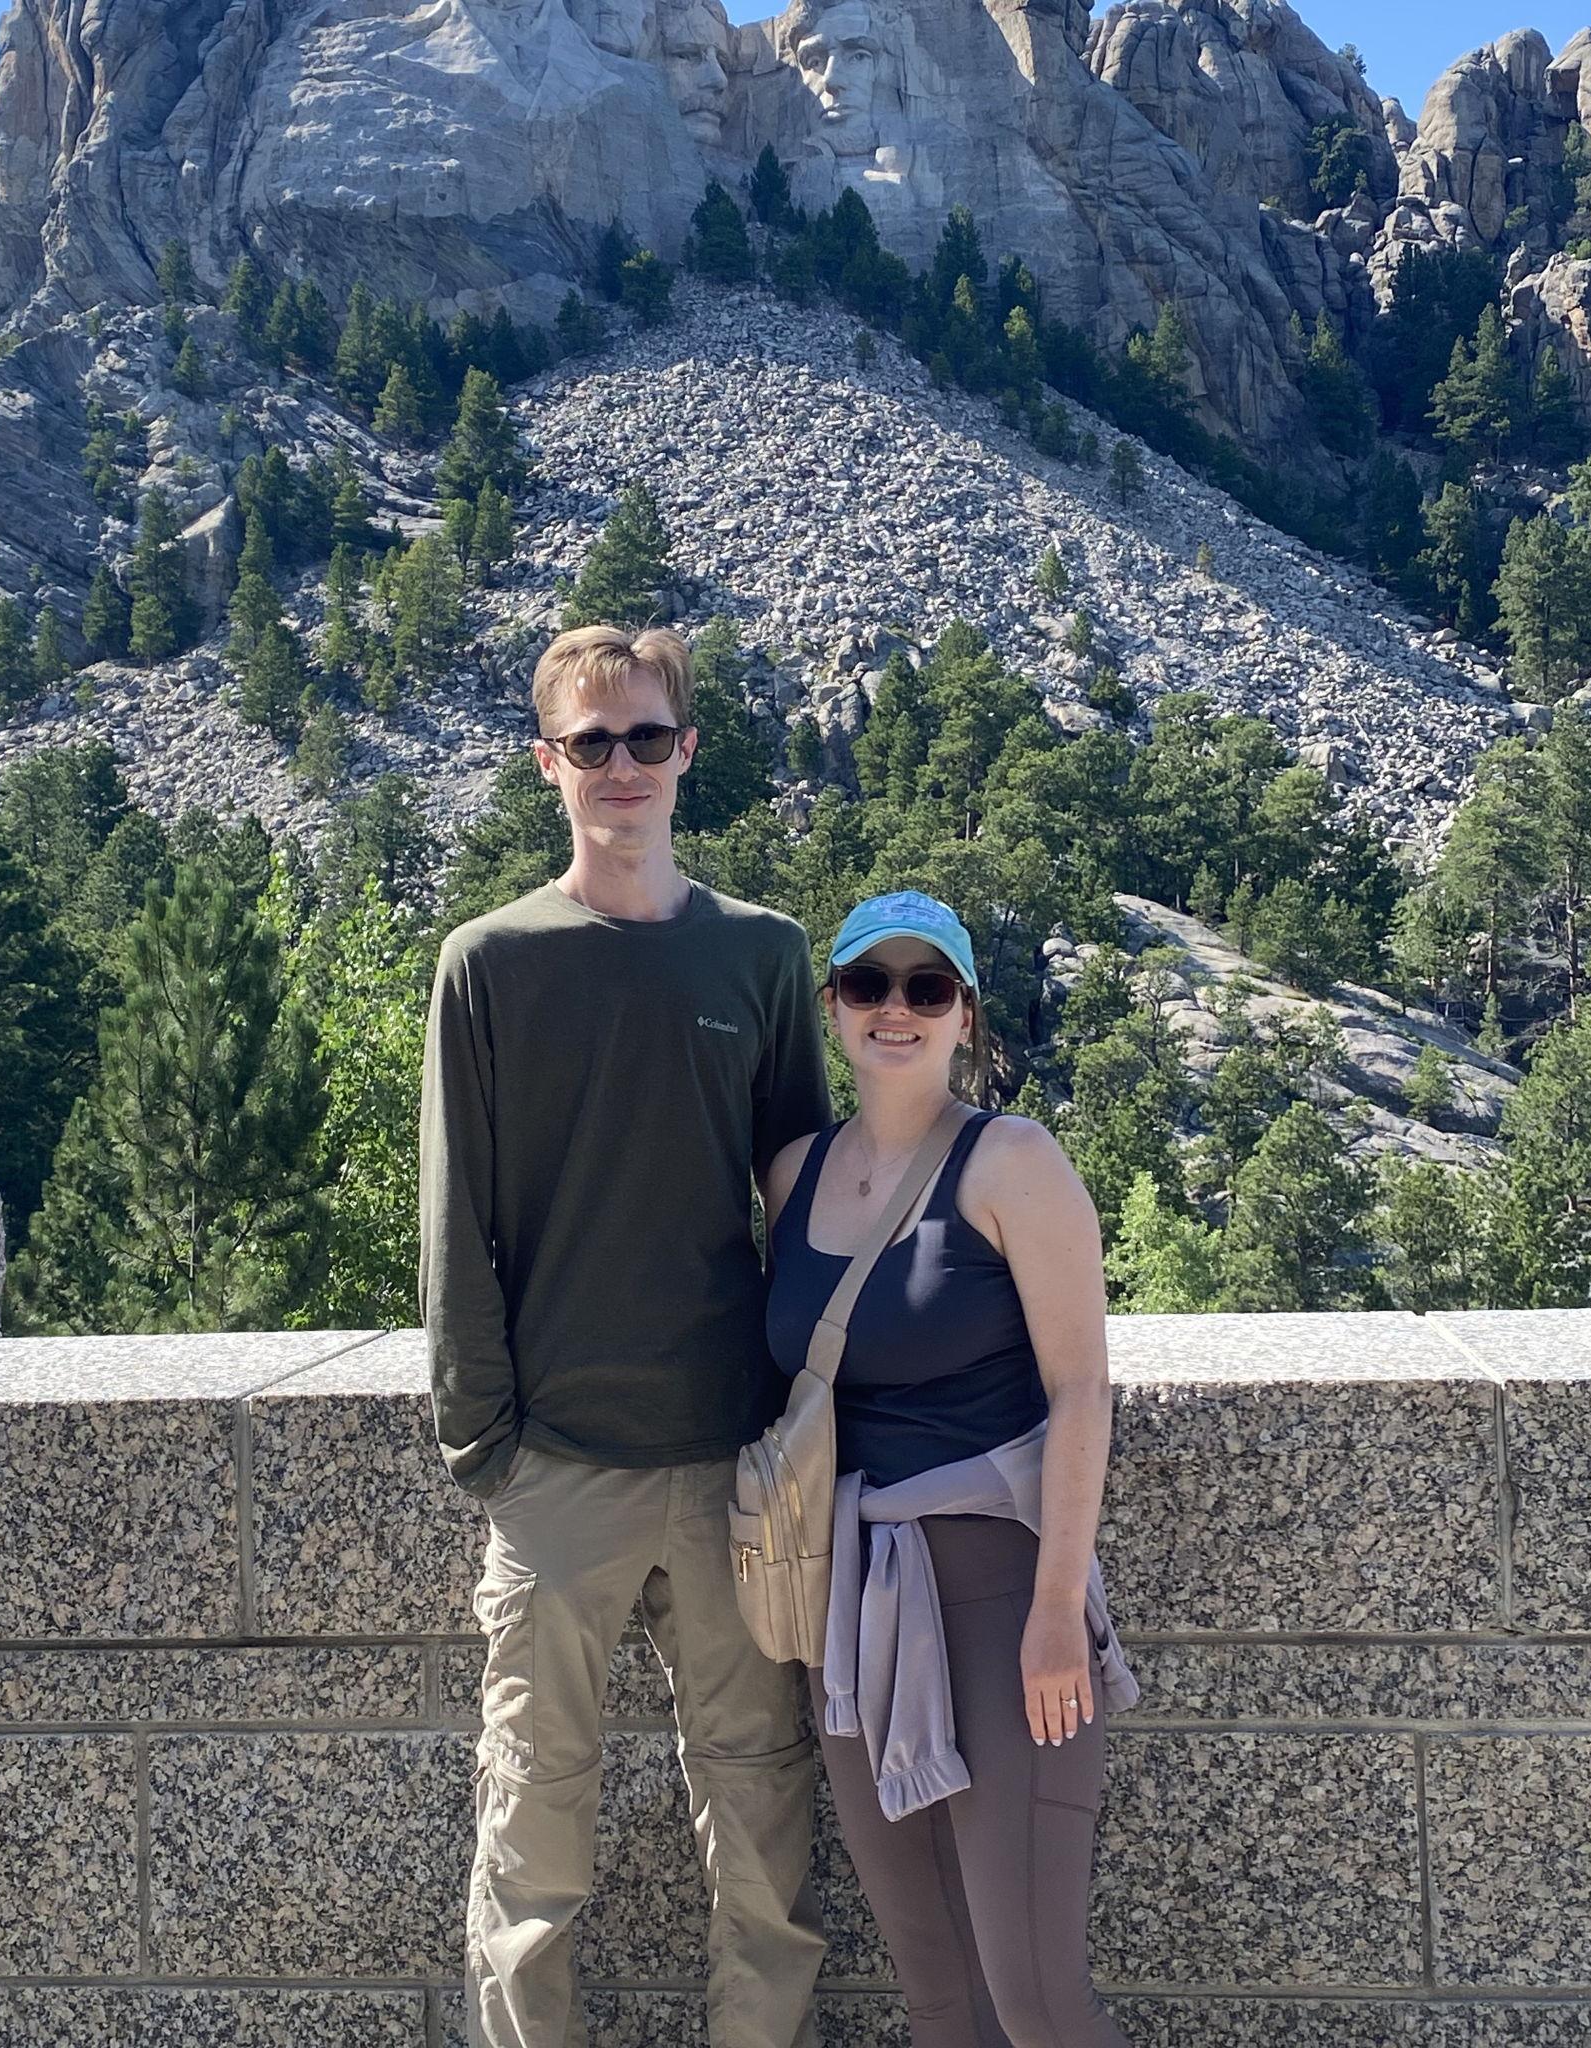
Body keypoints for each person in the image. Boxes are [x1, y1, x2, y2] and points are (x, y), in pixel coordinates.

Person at [421, 622, 833, 2048]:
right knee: (533, 1841)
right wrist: (491, 1454)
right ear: (547, 763)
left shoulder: (766, 958)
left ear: (688, 753)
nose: (622, 767)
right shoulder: (489, 965)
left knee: (766, 1832)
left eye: (646, 737)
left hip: (735, 1472)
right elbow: (455, 1226)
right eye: (590, 744)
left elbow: (812, 1209)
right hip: (560, 1481)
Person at [762, 890, 1133, 2048]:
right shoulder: (789, 1175)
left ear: (964, 1015)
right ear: (832, 1005)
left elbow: (1080, 1389)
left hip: (999, 1595)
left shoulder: (1009, 1161)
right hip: (856, 1612)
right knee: (938, 1993)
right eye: (870, 983)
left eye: (928, 987)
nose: (896, 1008)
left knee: (1034, 1996)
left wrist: (1055, 1609)